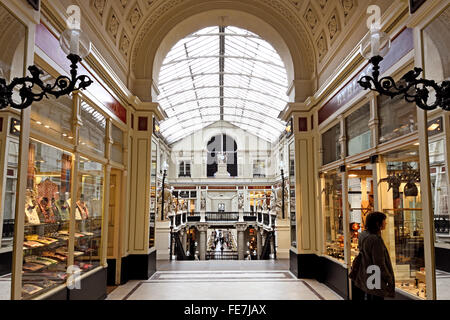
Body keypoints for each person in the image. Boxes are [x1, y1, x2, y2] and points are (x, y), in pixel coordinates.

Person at [353, 211, 395, 301]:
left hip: (366, 274)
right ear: (377, 223)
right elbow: (379, 263)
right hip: (375, 278)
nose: (386, 223)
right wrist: (389, 278)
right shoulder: (375, 239)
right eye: (384, 221)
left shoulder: (363, 235)